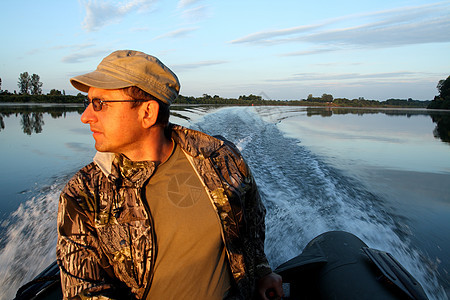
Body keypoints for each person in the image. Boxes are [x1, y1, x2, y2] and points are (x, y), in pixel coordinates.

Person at [56, 50, 283, 299]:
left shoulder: (219, 157)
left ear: (147, 113)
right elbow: (83, 291)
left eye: (99, 103)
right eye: (88, 103)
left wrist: (262, 271)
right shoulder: (83, 193)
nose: (85, 116)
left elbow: (252, 215)